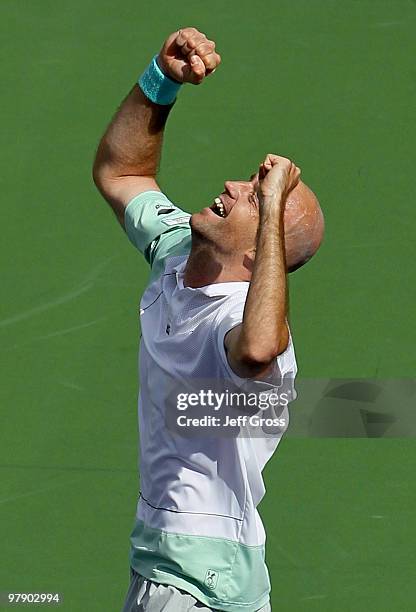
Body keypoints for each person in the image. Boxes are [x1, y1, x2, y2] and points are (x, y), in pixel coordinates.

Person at [93, 27, 324, 612]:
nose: (231, 185)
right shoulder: (174, 253)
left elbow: (256, 350)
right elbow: (121, 173)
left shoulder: (240, 325)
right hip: (168, 564)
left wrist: (272, 208)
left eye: (251, 196)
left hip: (199, 583)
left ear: (259, 251)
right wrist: (160, 79)